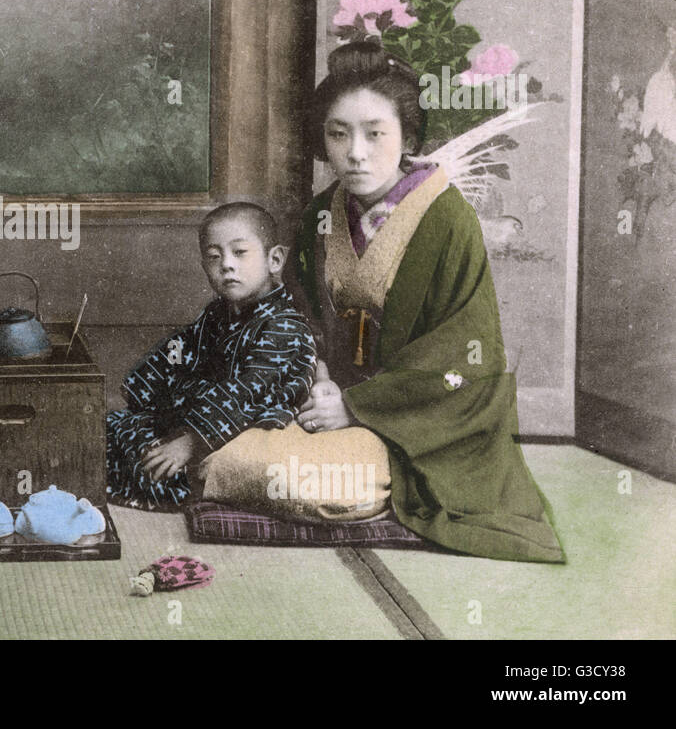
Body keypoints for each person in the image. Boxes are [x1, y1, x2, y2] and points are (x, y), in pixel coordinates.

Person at [287, 39, 564, 562]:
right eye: (338, 134)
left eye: (376, 134)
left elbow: (462, 350)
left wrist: (357, 406)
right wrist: (319, 378)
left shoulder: (445, 215)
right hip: (327, 399)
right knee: (239, 464)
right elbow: (297, 311)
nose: (356, 152)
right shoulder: (322, 213)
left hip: (428, 415)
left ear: (407, 135)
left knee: (326, 484)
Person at [105, 201, 317, 509]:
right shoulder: (218, 314)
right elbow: (177, 350)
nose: (226, 265)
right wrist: (142, 393)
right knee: (116, 426)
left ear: (275, 260)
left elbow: (248, 391)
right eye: (214, 256)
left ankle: (186, 477)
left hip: (245, 426)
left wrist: (190, 441)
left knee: (162, 471)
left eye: (240, 253)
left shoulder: (284, 326)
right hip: (199, 416)